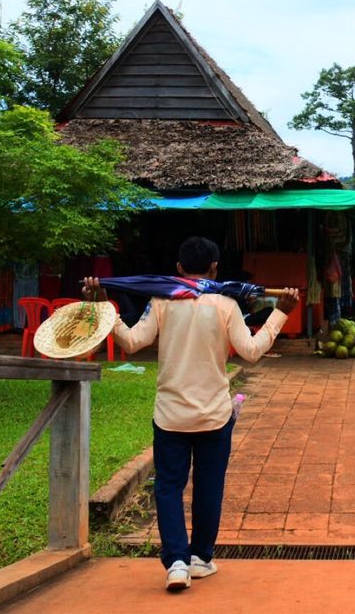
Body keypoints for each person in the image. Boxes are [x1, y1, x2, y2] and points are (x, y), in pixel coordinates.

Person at [82, 236, 299, 593]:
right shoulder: (226, 304)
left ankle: (177, 562)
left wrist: (105, 307)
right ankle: (200, 557)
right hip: (214, 414)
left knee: (168, 487)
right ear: (215, 268)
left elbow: (132, 342)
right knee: (209, 487)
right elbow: (252, 351)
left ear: (179, 269)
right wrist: (281, 313)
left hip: (170, 415)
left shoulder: (162, 301)